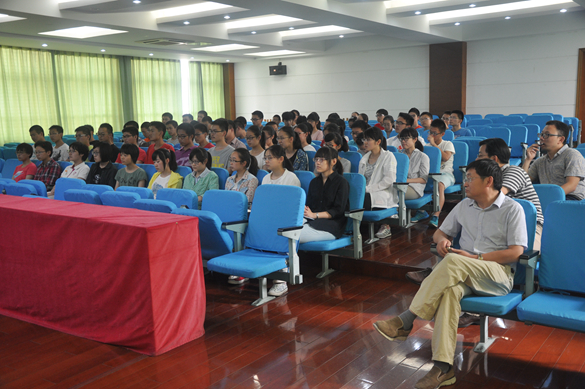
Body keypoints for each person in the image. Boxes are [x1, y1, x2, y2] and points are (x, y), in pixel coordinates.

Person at [374, 159, 527, 389]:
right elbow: (439, 233)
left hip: (496, 275)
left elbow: (516, 252)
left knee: (455, 260)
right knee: (450, 293)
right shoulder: (465, 205)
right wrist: (443, 240)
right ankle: (443, 368)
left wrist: (476, 258)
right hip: (462, 273)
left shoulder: (512, 208)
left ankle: (407, 319)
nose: (464, 182)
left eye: (470, 178)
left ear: (489, 181)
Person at [478, 138, 544, 249]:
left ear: (494, 159)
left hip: (529, 226)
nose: (476, 160)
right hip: (503, 225)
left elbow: (496, 196)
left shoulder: (514, 171)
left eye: (480, 156)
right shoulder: (491, 178)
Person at [261, 144, 301, 296]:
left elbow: (292, 205)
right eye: (265, 158)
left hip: (286, 219)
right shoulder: (265, 178)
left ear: (281, 159)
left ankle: (281, 280)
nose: (266, 161)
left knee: (277, 233)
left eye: (270, 158)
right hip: (268, 217)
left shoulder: (291, 178)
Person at [523, 119, 585, 200]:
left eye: (547, 135)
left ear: (561, 139)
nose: (541, 138)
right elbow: (523, 182)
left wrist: (549, 197)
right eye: (541, 134)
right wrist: (528, 159)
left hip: (571, 199)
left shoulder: (572, 155)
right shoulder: (540, 161)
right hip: (549, 199)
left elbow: (571, 185)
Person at [301, 146, 349, 244]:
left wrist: (315, 215)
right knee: (285, 230)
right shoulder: (314, 182)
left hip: (331, 226)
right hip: (311, 221)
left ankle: (288, 259)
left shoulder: (341, 182)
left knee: (294, 235)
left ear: (333, 162)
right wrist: (308, 213)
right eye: (316, 159)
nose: (317, 163)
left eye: (322, 160)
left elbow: (337, 211)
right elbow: (309, 206)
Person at [358, 127, 397, 239]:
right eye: (364, 139)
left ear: (378, 142)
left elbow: (389, 180)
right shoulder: (364, 158)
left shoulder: (388, 156)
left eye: (368, 139)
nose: (365, 142)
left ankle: (385, 225)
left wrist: (369, 189)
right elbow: (361, 179)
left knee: (361, 200)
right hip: (366, 191)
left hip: (382, 191)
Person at [417, 119, 456, 228]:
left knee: (439, 185)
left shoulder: (448, 144)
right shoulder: (427, 147)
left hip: (446, 175)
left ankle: (436, 215)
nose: (432, 135)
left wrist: (434, 144)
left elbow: (445, 157)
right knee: (417, 181)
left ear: (442, 134)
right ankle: (421, 211)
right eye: (430, 132)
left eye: (435, 133)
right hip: (430, 174)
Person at [399, 127, 429, 200]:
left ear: (415, 139)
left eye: (406, 138)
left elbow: (423, 179)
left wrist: (405, 180)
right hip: (400, 185)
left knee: (393, 194)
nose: (403, 141)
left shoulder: (422, 156)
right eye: (401, 139)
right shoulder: (400, 155)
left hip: (414, 188)